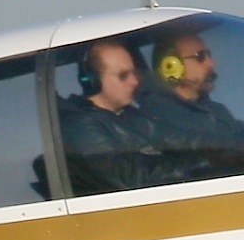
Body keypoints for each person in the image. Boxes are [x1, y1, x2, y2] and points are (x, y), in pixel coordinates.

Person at [143, 25, 244, 179]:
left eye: (209, 55)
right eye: (200, 57)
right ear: (170, 66)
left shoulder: (217, 111)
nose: (211, 64)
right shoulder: (157, 116)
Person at [59, 39, 169, 194]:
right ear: (92, 80)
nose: (135, 82)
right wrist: (202, 163)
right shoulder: (82, 128)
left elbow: (178, 138)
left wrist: (213, 152)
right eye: (123, 75)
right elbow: (133, 179)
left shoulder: (131, 115)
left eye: (134, 73)